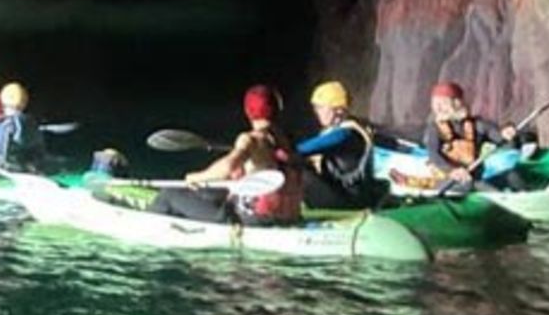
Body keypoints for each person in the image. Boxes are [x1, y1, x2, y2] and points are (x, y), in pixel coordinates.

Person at [149, 85, 304, 224]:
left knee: (169, 194)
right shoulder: (288, 140)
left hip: (251, 218)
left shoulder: (251, 139)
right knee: (213, 192)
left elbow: (229, 167)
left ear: (248, 111)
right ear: (278, 109)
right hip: (289, 216)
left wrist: (196, 177)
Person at [296, 80, 379, 209]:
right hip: (346, 195)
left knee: (300, 175)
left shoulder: (344, 135)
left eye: (320, 107)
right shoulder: (343, 130)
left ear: (337, 110)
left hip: (350, 201)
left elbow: (300, 150)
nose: (316, 112)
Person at [424, 80, 518, 185]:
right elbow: (433, 154)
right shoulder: (434, 129)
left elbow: (502, 139)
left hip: (474, 178)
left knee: (513, 177)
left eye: (443, 103)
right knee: (467, 186)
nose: (438, 108)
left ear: (457, 103)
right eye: (435, 104)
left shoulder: (478, 125)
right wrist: (452, 171)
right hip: (447, 180)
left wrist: (507, 131)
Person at [0, 81, 44, 172]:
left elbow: (11, 142)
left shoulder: (9, 122)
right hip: (29, 160)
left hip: (17, 161)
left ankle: (14, 163)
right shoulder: (28, 120)